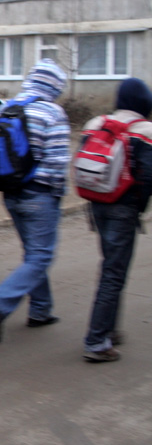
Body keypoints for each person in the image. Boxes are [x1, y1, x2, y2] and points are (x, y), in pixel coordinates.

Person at [0, 59, 70, 343]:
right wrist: (57, 196)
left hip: (10, 193)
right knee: (41, 255)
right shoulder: (52, 112)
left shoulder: (3, 108)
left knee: (33, 252)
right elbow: (57, 163)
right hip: (39, 195)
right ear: (55, 86)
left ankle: (41, 310)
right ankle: (1, 302)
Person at [79, 77, 152, 362]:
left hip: (97, 204)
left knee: (111, 266)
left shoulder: (96, 123)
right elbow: (148, 177)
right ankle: (97, 341)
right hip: (124, 206)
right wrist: (139, 207)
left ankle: (110, 329)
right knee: (113, 273)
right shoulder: (145, 130)